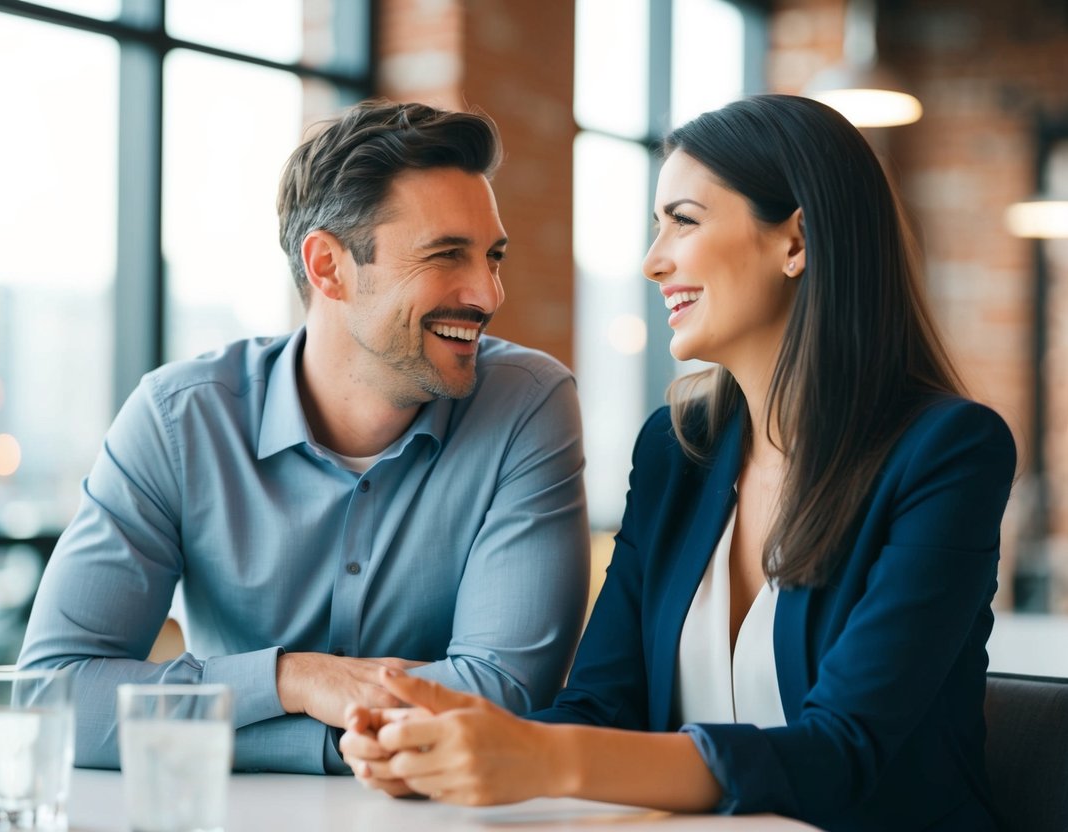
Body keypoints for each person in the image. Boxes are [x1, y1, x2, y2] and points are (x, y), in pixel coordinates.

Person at [340, 94, 1017, 830]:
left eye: (682, 221)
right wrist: (448, 748)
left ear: (795, 241)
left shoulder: (947, 452)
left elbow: (841, 751)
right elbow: (601, 704)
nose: (652, 260)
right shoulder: (676, 450)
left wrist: (544, 756)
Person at [18, 100, 590, 774]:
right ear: (327, 267)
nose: (487, 293)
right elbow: (53, 700)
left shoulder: (526, 404)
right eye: (446, 255)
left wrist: (229, 723)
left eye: (492, 257)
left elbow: (505, 699)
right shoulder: (179, 421)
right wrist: (294, 678)